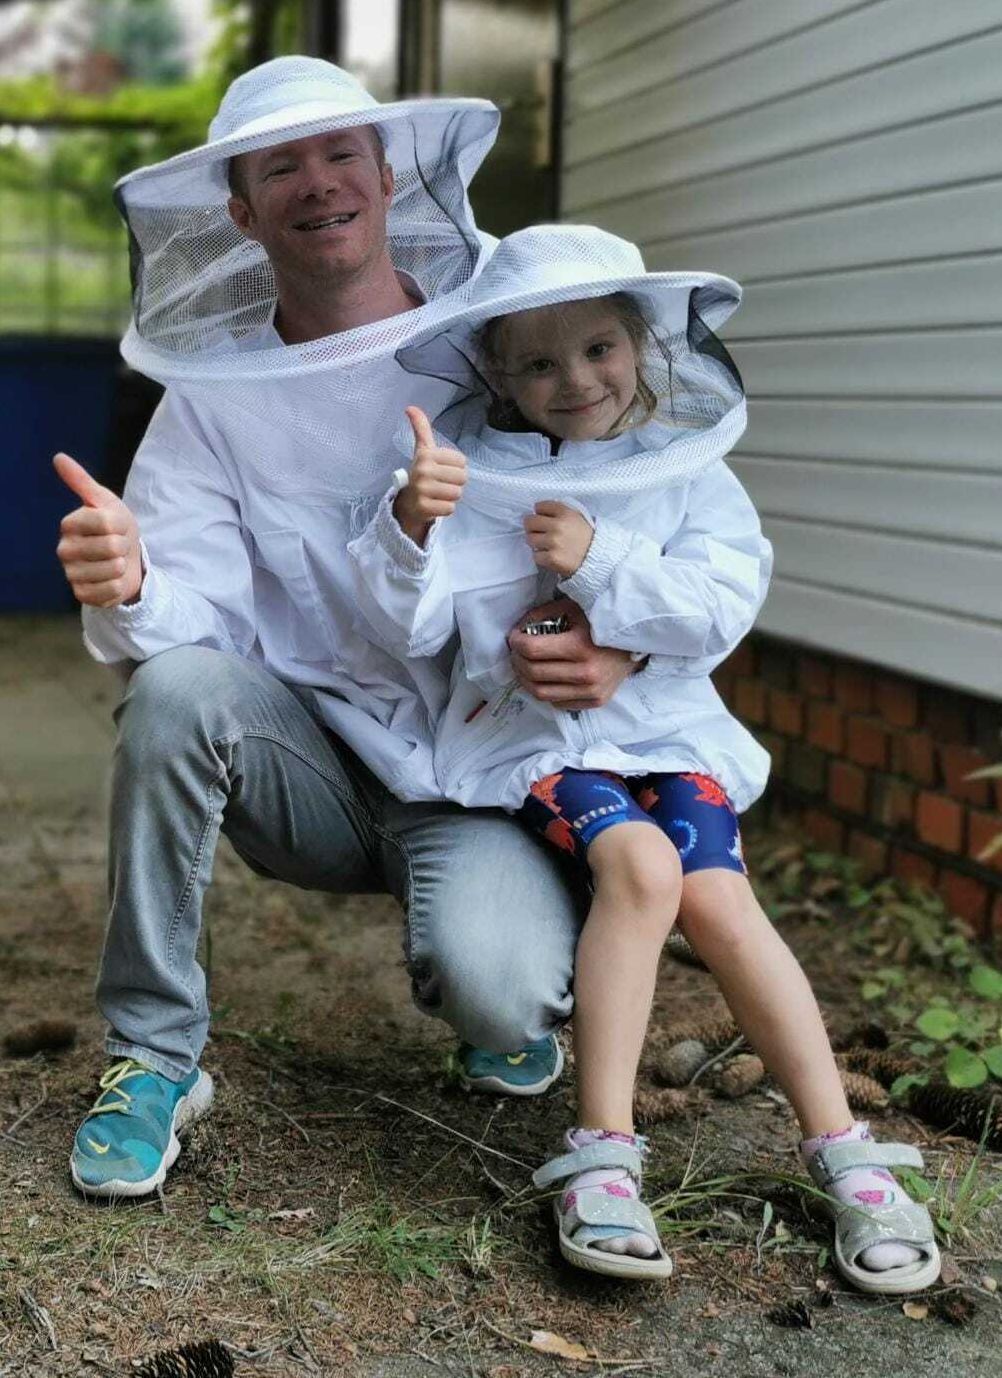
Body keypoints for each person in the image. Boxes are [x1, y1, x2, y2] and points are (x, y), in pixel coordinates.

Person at [50, 57, 637, 1201]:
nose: (317, 183)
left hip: (485, 772)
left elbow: (642, 490)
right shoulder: (212, 395)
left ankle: (493, 980)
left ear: (388, 176)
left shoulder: (499, 340)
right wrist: (128, 583)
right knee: (173, 691)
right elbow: (189, 627)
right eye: (281, 168)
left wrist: (625, 643)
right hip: (308, 772)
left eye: (339, 155)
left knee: (506, 997)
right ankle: (153, 1056)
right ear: (240, 212)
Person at [348, 222, 940, 1291]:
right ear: (497, 373)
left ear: (642, 343)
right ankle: (603, 1154)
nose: (575, 380)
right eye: (538, 362)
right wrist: (412, 526)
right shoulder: (472, 474)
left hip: (668, 733)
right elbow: (416, 630)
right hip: (535, 740)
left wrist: (604, 563)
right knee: (642, 866)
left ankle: (844, 1150)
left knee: (718, 895)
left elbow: (719, 606)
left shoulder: (687, 467)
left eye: (598, 349)